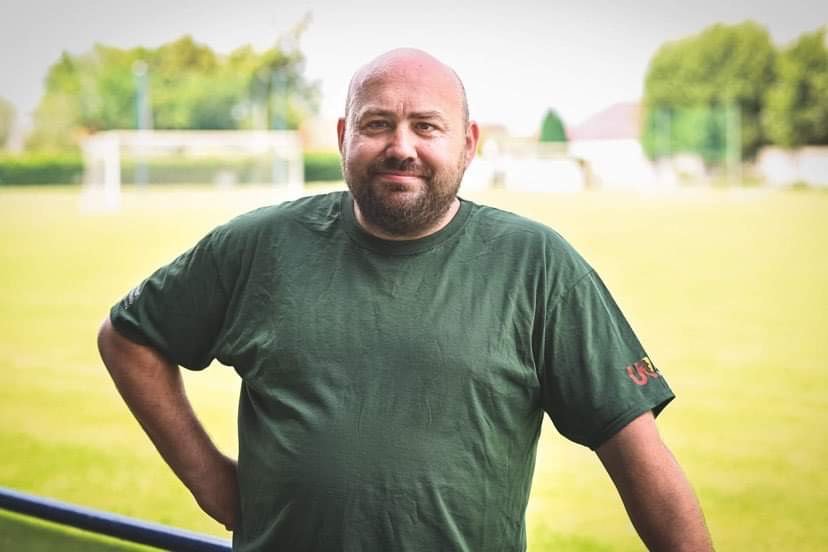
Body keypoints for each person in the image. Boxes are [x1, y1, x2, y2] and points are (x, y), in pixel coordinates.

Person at [98, 48, 713, 551]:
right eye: (376, 124)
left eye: (426, 126)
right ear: (344, 136)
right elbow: (128, 338)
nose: (401, 146)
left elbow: (637, 453)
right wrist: (210, 482)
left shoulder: (537, 264)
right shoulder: (259, 246)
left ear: (468, 143)